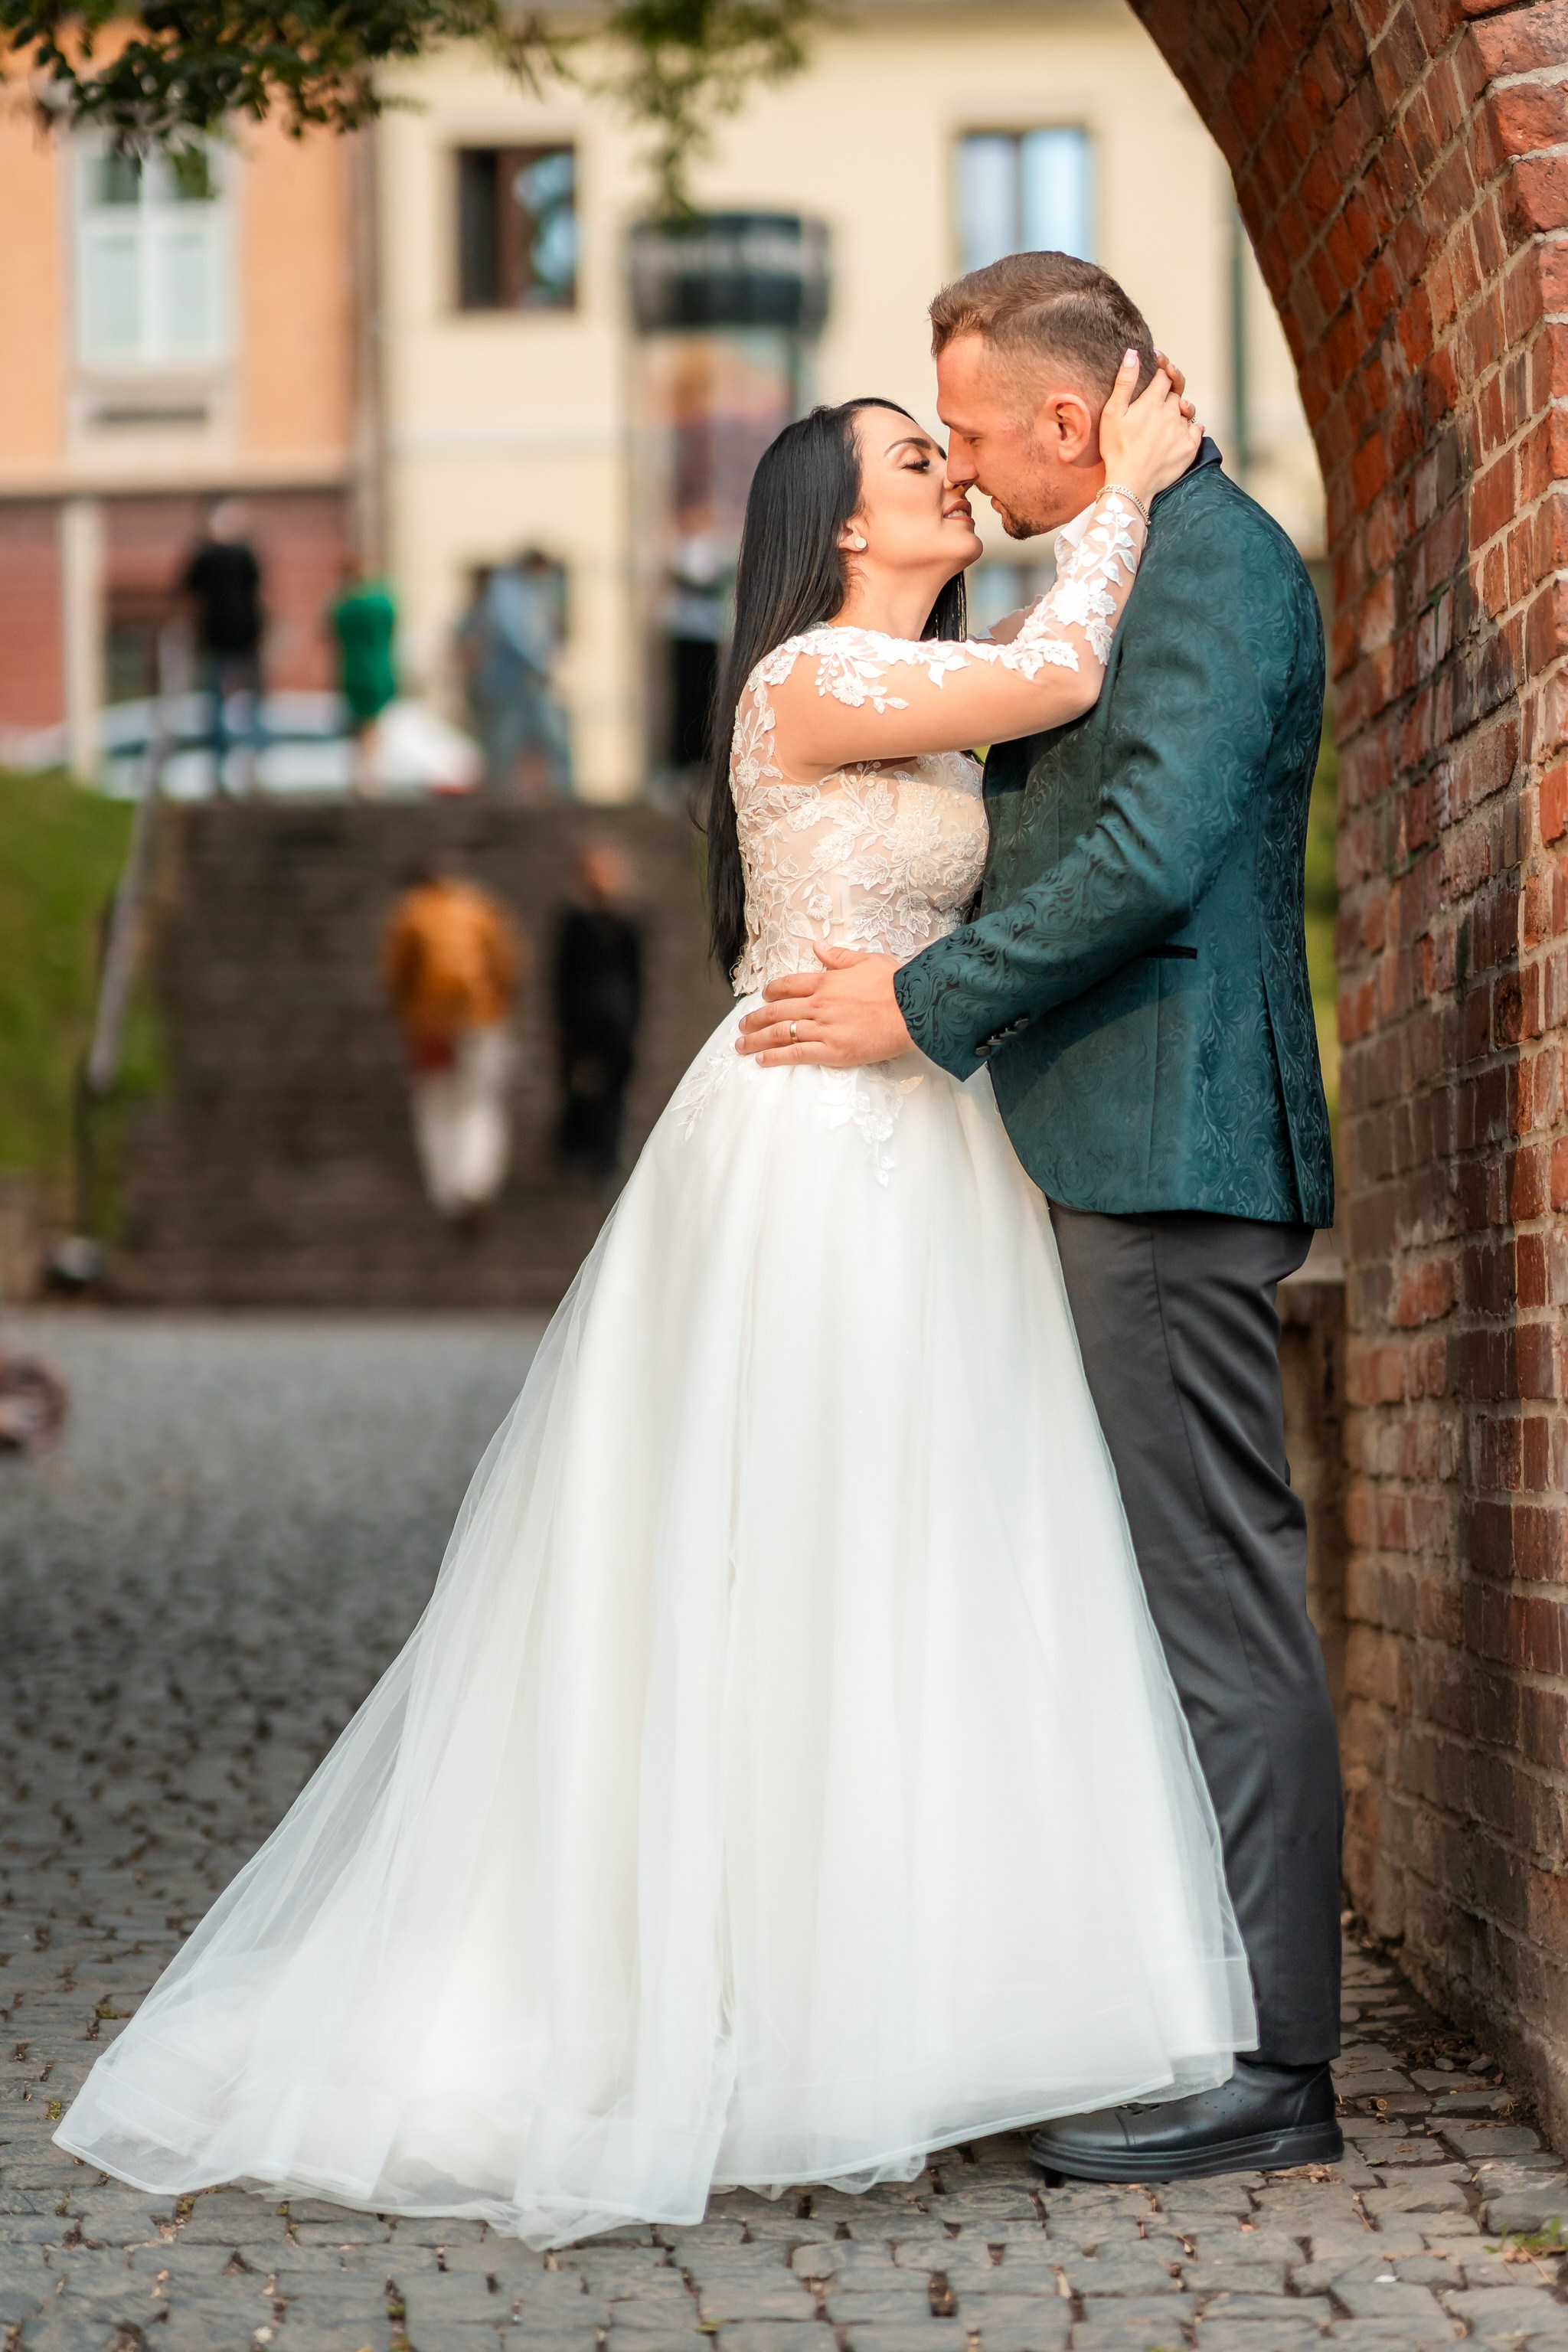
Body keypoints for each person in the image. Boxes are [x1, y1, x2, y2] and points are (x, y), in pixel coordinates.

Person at [57, 350, 1253, 2246]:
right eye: (909, 456)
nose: (948, 474)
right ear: (834, 522)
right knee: (788, 1547)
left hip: (928, 1143)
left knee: (936, 1544)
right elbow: (1062, 666)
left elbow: (1027, 690)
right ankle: (746, 2001)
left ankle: (919, 1990)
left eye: (947, 452)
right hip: (808, 1159)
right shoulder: (808, 679)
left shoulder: (913, 701)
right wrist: (1135, 489)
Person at [737, 253, 1343, 2185]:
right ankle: (1166, 2005)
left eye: (979, 435)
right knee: (1130, 1600)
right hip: (1101, 1137)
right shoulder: (1129, 555)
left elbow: (1154, 838)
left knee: (1207, 1597)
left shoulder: (1211, 559)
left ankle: (1265, 2061)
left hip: (1168, 1143)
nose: (973, 476)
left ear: (1069, 419)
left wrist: (922, 1003)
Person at [381, 864, 524, 1227]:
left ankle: (447, 1190)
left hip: (430, 1026)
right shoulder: (478, 905)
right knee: (479, 1103)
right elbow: (507, 965)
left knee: (437, 1107)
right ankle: (476, 1182)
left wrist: (408, 1015)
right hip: (481, 1020)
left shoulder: (411, 911)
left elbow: (395, 976)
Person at [554, 839, 643, 1184]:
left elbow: (635, 976)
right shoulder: (578, 920)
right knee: (584, 1089)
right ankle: (584, 1152)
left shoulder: (623, 921)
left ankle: (603, 1157)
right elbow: (564, 975)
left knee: (610, 1092)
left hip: (612, 1023)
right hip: (587, 1022)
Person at [458, 550, 571, 800]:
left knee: (542, 738)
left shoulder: (526, 591)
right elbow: (513, 635)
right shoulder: (507, 591)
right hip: (506, 684)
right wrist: (540, 664)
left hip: (524, 683)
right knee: (505, 742)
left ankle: (554, 793)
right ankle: (503, 797)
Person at [181, 500, 263, 795]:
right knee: (250, 706)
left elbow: (186, 586)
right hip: (244, 638)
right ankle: (250, 768)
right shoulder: (244, 555)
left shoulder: (206, 557)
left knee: (219, 705)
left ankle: (222, 771)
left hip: (218, 639)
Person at [328, 561, 398, 793]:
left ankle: (360, 773)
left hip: (352, 668)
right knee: (373, 723)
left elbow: (330, 628)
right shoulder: (380, 603)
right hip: (378, 667)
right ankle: (370, 775)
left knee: (359, 723)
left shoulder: (345, 607)